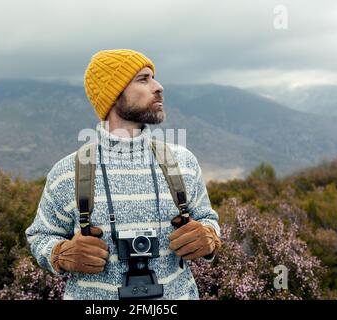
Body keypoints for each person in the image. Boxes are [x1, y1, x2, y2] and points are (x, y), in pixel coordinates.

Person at [25, 49, 221, 300]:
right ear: (113, 95)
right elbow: (40, 235)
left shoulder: (183, 163)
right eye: (143, 79)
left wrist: (209, 237)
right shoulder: (67, 172)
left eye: (154, 78)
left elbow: (207, 217)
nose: (159, 87)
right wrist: (60, 254)